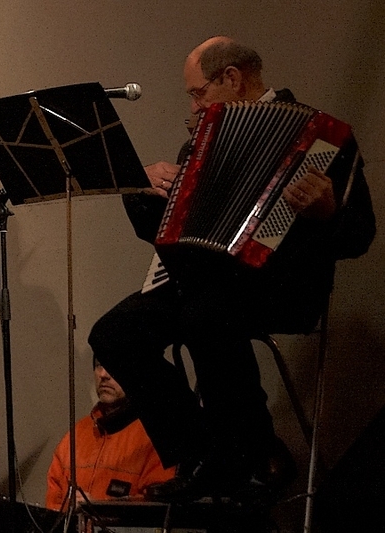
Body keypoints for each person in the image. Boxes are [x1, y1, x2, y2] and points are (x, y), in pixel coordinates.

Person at [88, 36, 375, 504]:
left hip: (284, 286)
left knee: (206, 315)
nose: (194, 105)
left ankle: (236, 455)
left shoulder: (321, 136)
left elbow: (359, 235)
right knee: (114, 333)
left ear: (232, 78)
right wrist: (140, 189)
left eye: (197, 92)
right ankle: (204, 452)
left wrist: (327, 213)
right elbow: (170, 234)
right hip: (204, 285)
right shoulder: (199, 144)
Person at [46, 358, 174, 510]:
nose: (103, 374)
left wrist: (99, 511)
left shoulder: (156, 437)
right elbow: (51, 509)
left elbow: (159, 512)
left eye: (114, 365)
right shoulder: (73, 439)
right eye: (99, 365)